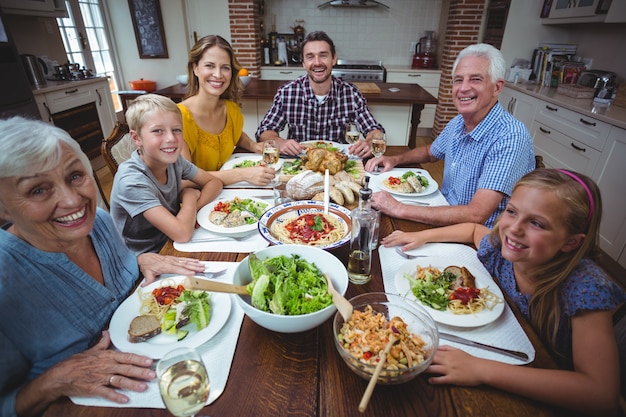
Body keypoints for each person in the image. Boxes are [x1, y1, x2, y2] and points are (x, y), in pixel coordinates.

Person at [0, 116, 208, 417]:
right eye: (37, 190)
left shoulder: (98, 222)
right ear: (3, 205)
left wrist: (138, 260)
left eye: (74, 176)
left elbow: (115, 284)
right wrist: (52, 382)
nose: (72, 200)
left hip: (168, 371)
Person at [383, 168, 625, 417]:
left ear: (570, 242)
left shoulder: (585, 288)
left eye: (537, 223)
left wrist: (480, 369)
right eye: (511, 211)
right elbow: (475, 230)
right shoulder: (504, 248)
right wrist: (422, 236)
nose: (513, 229)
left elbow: (601, 395)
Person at [365, 43, 535, 228]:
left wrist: (398, 208)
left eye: (475, 79)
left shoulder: (510, 136)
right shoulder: (458, 122)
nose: (463, 88)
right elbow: (431, 152)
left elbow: (476, 214)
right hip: (445, 214)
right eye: (458, 80)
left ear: (497, 87)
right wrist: (395, 159)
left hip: (478, 240)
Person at [110, 94, 222, 254]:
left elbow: (214, 183)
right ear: (136, 138)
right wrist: (190, 196)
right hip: (143, 260)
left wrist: (193, 210)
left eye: (176, 130)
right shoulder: (131, 180)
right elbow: (182, 234)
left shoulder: (174, 161)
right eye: (158, 131)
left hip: (172, 238)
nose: (171, 138)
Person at [256, 30, 384, 157]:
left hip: (337, 164)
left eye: (323, 55)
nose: (317, 62)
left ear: (334, 59)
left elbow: (374, 130)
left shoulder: (351, 93)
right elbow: (265, 130)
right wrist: (280, 142)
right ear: (303, 63)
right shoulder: (287, 93)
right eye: (310, 57)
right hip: (300, 164)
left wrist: (369, 142)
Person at [178, 35, 276, 186]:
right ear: (195, 68)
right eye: (209, 65)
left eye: (225, 67)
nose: (218, 74)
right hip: (195, 201)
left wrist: (253, 145)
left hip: (227, 194)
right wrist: (242, 174)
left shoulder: (230, 110)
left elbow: (234, 135)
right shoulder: (179, 118)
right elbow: (184, 180)